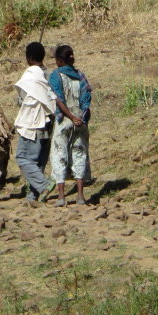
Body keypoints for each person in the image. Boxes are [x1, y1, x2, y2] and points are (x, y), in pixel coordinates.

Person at [48, 45, 92, 207]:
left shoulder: (55, 76)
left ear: (59, 61)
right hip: (80, 121)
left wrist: (71, 117)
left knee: (59, 156)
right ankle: (80, 196)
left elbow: (58, 100)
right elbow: (86, 98)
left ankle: (61, 197)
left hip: (64, 121)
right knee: (79, 155)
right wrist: (80, 117)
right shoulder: (80, 76)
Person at [14, 42, 57, 206]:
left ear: (29, 58)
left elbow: (22, 99)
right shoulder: (49, 75)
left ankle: (45, 185)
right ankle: (33, 197)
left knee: (23, 159)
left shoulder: (30, 76)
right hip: (48, 122)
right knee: (38, 162)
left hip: (32, 123)